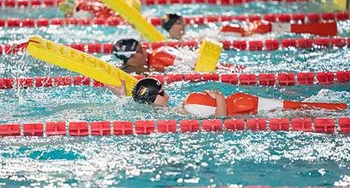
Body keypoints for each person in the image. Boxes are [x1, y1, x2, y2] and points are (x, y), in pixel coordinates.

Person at [109, 77, 347, 118]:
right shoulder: (188, 109)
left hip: (245, 106)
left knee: (301, 108)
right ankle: (338, 108)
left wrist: (122, 97)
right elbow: (220, 123)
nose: (166, 94)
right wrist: (221, 98)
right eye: (162, 92)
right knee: (303, 109)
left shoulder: (165, 110)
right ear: (154, 99)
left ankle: (336, 107)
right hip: (246, 110)